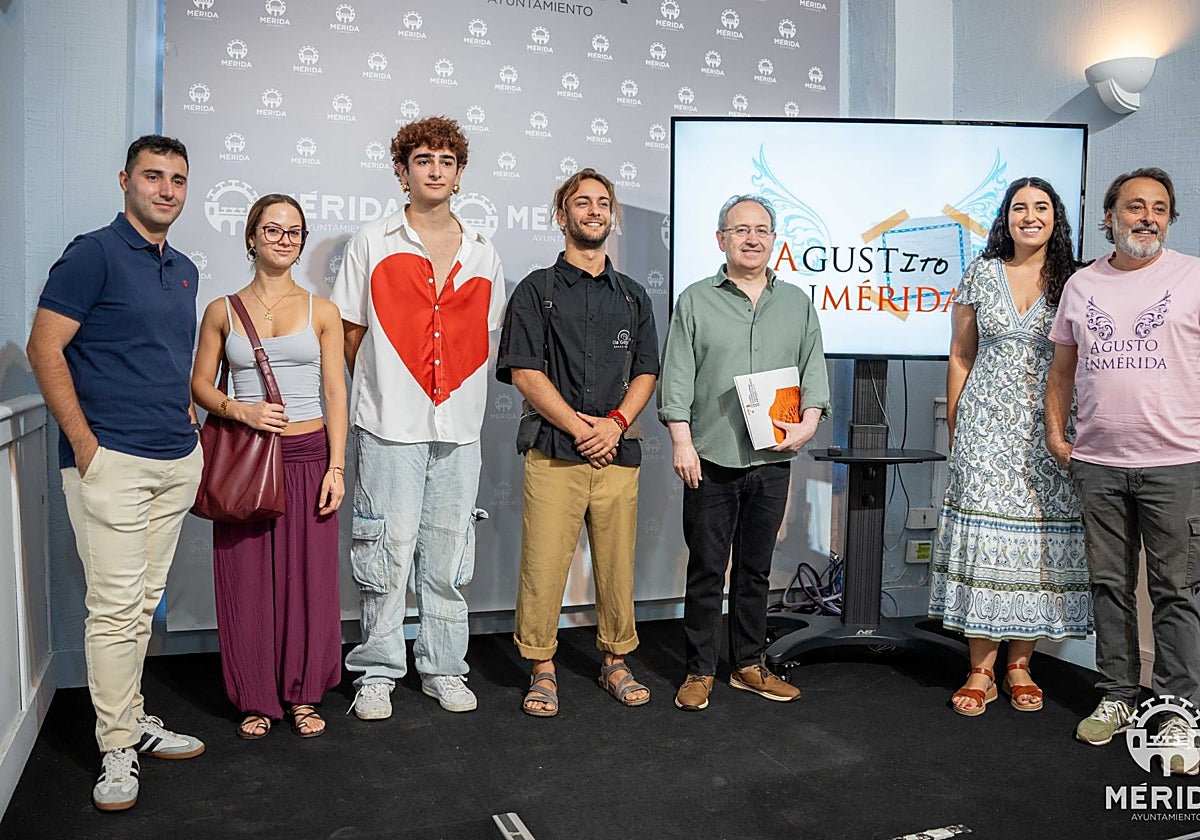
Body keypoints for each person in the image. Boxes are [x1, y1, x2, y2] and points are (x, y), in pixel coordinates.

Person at [26, 135, 205, 812]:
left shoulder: (184, 268)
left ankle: (130, 719)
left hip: (174, 459)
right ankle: (116, 747)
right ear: (125, 180)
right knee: (115, 608)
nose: (166, 190)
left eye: (178, 180)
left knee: (141, 606)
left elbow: (167, 356)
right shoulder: (92, 253)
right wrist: (84, 443)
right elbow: (45, 348)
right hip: (112, 463)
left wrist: (190, 429)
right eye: (153, 176)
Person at [330, 116, 506, 720]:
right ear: (402, 171)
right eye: (423, 160)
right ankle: (377, 671)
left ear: (459, 174)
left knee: (449, 555)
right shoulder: (372, 241)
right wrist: (389, 388)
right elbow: (350, 331)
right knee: (385, 552)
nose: (435, 170)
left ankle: (443, 666)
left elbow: (482, 336)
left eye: (446, 161)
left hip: (460, 428)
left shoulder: (483, 250)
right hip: (388, 425)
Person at [1047, 167, 1200, 769]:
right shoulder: (1082, 285)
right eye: (1135, 206)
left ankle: (1177, 711)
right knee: (1108, 586)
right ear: (1109, 217)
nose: (1148, 218)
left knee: (1175, 592)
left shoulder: (1192, 278)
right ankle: (1116, 696)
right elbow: (1062, 370)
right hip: (1099, 465)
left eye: (1159, 208)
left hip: (1177, 464)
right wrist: (1057, 434)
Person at [496, 168, 659, 717]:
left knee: (616, 566)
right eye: (582, 202)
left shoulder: (634, 296)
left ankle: (616, 660)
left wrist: (614, 424)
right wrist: (581, 427)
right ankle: (542, 668)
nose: (594, 210)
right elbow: (525, 372)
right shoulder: (535, 290)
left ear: (612, 215)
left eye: (603, 202)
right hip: (554, 452)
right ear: (560, 215)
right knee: (543, 567)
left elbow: (647, 371)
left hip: (618, 452)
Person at [658, 194, 829, 712]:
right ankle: (699, 669)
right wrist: (681, 441)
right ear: (721, 239)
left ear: (773, 240)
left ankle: (749, 665)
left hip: (773, 459)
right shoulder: (695, 300)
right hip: (711, 456)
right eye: (740, 230)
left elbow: (813, 367)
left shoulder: (797, 302)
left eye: (761, 230)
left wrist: (809, 423)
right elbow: (677, 375)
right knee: (707, 569)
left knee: (756, 570)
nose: (751, 239)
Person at [928, 177, 1090, 717]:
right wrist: (957, 425)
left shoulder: (1075, 280)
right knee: (985, 541)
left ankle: (1020, 665)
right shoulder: (980, 273)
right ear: (1007, 217)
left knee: (1036, 544)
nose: (1030, 216)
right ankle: (980, 669)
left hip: (1050, 428)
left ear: (1055, 218)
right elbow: (960, 354)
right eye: (1020, 207)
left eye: (1041, 207)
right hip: (984, 429)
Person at [191, 194, 347, 740]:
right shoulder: (221, 310)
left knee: (310, 583)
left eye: (294, 231)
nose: (285, 239)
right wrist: (241, 410)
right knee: (247, 581)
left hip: (308, 458)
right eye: (273, 229)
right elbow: (199, 385)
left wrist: (336, 466)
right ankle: (255, 696)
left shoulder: (322, 311)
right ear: (252, 237)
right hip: (247, 461)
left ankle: (303, 694)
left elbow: (335, 393)